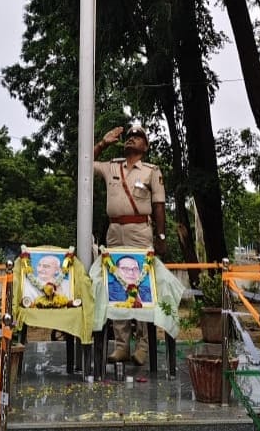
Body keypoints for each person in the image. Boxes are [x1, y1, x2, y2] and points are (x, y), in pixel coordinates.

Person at [94, 123, 166, 365]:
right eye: (129, 136)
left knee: (141, 287)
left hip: (139, 231)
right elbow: (84, 165)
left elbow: (158, 205)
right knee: (117, 285)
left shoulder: (151, 171)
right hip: (114, 231)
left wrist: (161, 236)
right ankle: (122, 345)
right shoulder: (111, 166)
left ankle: (143, 346)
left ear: (145, 146)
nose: (131, 139)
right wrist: (103, 143)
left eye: (137, 137)